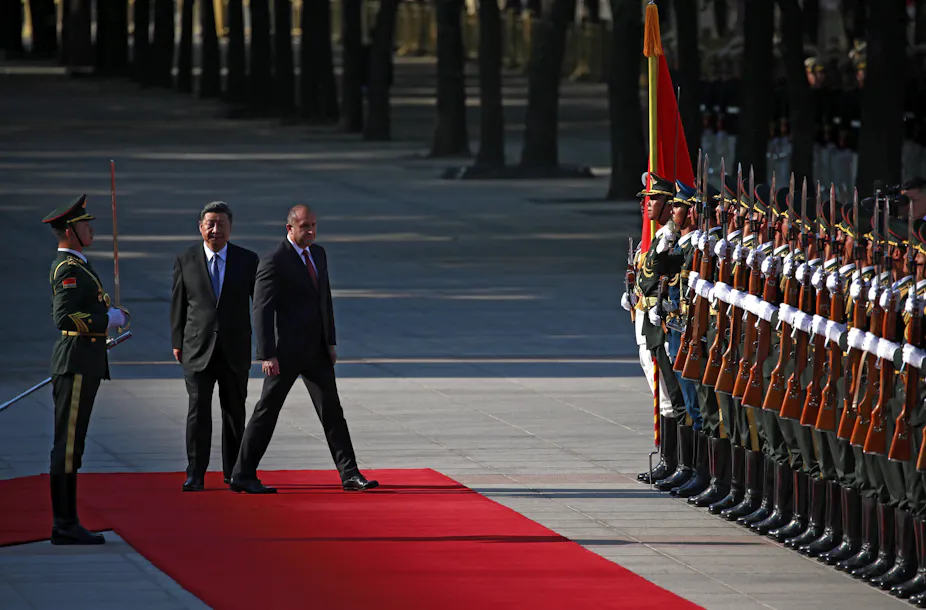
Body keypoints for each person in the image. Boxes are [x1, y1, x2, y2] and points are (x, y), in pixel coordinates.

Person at [229, 204, 378, 494]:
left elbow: (325, 300)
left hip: (316, 350)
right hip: (284, 353)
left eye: (313, 226)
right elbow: (261, 310)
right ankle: (242, 474)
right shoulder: (274, 261)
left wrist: (330, 341)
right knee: (267, 411)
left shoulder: (319, 254)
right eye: (304, 227)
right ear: (290, 228)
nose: (310, 231)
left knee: (332, 412)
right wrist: (266, 354)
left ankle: (350, 473)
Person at [42, 194, 130, 545]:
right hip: (76, 362)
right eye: (83, 225)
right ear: (69, 231)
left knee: (73, 445)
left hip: (85, 360)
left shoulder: (79, 265)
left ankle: (67, 520)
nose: (90, 228)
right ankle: (64, 523)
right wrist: (105, 320)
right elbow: (62, 317)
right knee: (67, 446)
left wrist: (107, 319)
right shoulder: (68, 269)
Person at [170, 201, 259, 492]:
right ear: (200, 227)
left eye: (221, 224)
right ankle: (195, 472)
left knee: (234, 412)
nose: (215, 229)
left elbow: (258, 305)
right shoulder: (186, 260)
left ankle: (234, 472)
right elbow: (179, 304)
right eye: (210, 223)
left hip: (235, 349)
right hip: (197, 347)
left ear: (230, 228)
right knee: (198, 412)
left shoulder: (248, 261)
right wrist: (177, 341)